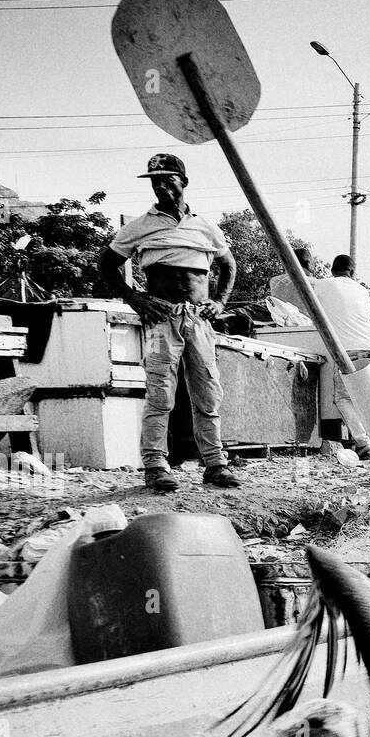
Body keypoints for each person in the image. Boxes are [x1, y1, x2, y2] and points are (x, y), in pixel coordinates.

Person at [100, 153, 240, 492]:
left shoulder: (205, 225)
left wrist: (218, 303)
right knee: (160, 393)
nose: (160, 184)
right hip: (162, 318)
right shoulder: (139, 225)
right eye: (154, 180)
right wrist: (135, 299)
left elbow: (229, 266)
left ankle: (215, 464)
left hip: (200, 320)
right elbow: (106, 265)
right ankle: (155, 465)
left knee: (207, 392)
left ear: (183, 182)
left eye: (167, 178)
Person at [309, 254, 370, 461]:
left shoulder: (322, 284)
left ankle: (363, 443)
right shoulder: (362, 290)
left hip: (347, 350)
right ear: (352, 271)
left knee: (342, 398)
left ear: (332, 270)